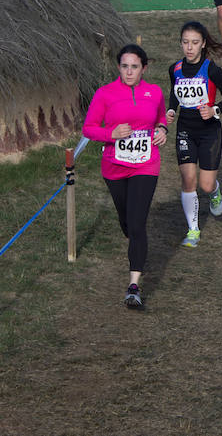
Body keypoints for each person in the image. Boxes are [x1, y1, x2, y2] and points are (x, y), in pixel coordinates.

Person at [82, 44, 168, 309]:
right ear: (118, 67)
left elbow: (161, 116)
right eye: (124, 66)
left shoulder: (154, 92)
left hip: (146, 164)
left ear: (144, 67)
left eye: (134, 67)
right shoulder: (105, 94)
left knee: (138, 222)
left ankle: (133, 286)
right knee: (127, 223)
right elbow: (89, 128)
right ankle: (133, 240)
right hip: (115, 168)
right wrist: (111, 135)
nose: (129, 72)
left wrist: (162, 129)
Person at [167, 22, 222, 248]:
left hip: (209, 132)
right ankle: (193, 230)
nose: (189, 47)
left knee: (205, 185)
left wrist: (214, 110)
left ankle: (215, 192)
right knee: (188, 180)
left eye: (195, 43)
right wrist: (170, 109)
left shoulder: (211, 69)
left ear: (203, 44)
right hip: (185, 130)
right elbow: (174, 92)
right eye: (185, 42)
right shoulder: (175, 69)